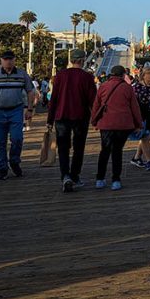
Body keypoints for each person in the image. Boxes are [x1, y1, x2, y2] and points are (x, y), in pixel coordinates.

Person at [0, 51, 37, 180]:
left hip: (16, 110)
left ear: (14, 60)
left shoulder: (22, 74)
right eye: (5, 59)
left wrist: (29, 109)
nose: (8, 61)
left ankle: (15, 161)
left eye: (10, 59)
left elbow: (30, 91)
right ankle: (2, 168)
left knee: (17, 139)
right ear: (1, 60)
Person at [47, 49, 98, 192]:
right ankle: (75, 175)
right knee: (78, 148)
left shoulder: (60, 76)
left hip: (61, 116)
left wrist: (50, 119)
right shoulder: (87, 77)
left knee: (63, 148)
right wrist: (96, 118)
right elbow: (93, 101)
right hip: (80, 117)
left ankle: (65, 176)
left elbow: (54, 99)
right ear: (82, 60)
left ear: (71, 60)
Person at [91, 65, 142, 191]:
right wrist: (138, 124)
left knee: (105, 150)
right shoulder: (127, 88)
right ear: (123, 75)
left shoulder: (103, 86)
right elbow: (134, 108)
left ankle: (100, 179)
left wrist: (94, 121)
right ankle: (116, 180)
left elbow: (96, 105)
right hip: (122, 124)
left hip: (106, 124)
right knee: (117, 151)